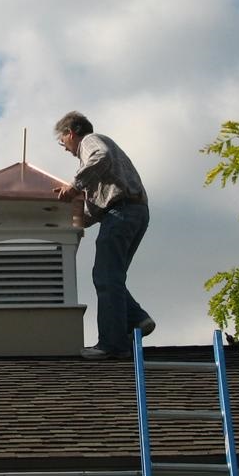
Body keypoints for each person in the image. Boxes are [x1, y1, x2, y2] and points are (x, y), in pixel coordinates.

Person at [53, 111, 155, 359]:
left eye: (62, 141)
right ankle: (138, 319)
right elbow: (97, 205)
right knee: (111, 276)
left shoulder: (91, 142)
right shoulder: (95, 161)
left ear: (71, 133)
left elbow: (102, 157)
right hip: (132, 212)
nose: (64, 148)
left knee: (105, 276)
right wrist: (73, 223)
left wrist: (74, 185)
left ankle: (112, 344)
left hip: (121, 213)